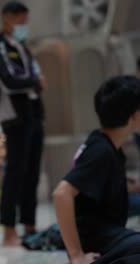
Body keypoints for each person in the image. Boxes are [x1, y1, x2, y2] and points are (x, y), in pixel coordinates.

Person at [53, 76, 140, 264]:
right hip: (95, 239)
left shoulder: (105, 144)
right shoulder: (100, 151)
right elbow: (61, 194)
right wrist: (76, 256)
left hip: (106, 232)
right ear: (133, 115)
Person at [0, 1, 45, 245]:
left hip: (34, 113)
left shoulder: (23, 47)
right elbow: (9, 80)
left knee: (32, 171)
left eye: (26, 23)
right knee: (15, 173)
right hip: (15, 117)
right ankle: (8, 229)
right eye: (21, 21)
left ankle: (29, 224)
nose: (23, 27)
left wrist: (34, 81)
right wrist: (34, 81)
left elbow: (34, 76)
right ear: (7, 18)